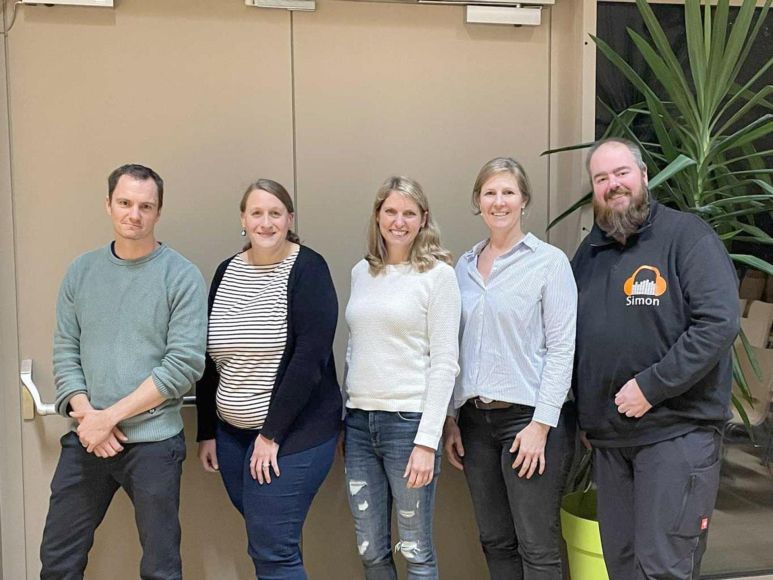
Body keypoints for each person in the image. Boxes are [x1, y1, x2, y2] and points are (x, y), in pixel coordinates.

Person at [571, 137, 740, 579]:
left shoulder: (686, 237)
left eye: (622, 173)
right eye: (601, 178)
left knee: (664, 567)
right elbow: (574, 340)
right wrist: (588, 414)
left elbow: (718, 323)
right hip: (610, 442)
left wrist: (651, 387)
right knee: (622, 566)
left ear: (644, 176)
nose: (613, 185)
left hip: (675, 433)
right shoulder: (588, 255)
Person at [40, 164, 208, 580]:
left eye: (145, 206)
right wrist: (87, 417)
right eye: (125, 203)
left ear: (158, 212)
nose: (134, 214)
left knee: (160, 568)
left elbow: (184, 364)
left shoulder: (181, 275)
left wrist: (108, 418)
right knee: (58, 560)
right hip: (87, 438)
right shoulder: (81, 272)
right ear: (109, 205)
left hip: (153, 444)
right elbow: (65, 350)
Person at [196, 178, 341, 579]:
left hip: (293, 435)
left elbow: (309, 362)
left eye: (275, 213)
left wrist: (270, 435)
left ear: (289, 219)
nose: (265, 222)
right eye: (256, 213)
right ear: (243, 219)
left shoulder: (308, 268)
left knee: (274, 551)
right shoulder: (227, 271)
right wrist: (207, 430)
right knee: (269, 539)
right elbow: (209, 357)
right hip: (232, 436)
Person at [442, 157, 577, 579]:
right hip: (474, 424)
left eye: (508, 192)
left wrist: (541, 427)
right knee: (495, 540)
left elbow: (561, 349)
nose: (498, 201)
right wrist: (450, 420)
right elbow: (452, 348)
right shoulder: (461, 267)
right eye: (490, 192)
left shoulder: (549, 263)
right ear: (477, 201)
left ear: (524, 201)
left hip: (528, 423)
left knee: (537, 545)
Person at [343, 176, 461, 580]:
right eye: (391, 211)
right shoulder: (362, 272)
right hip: (359, 424)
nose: (399, 221)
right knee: (371, 551)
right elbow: (355, 347)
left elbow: (446, 362)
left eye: (409, 213)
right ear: (377, 216)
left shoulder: (438, 276)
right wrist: (347, 410)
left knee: (416, 552)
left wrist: (428, 441)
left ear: (423, 219)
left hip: (408, 426)